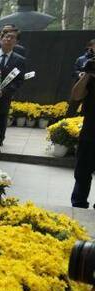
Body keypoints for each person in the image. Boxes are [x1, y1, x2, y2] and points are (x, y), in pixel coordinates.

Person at [0, 29, 26, 169]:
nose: (8, 39)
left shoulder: (19, 60)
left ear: (16, 42)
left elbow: (19, 81)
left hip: (2, 102)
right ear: (0, 39)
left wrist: (3, 92)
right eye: (6, 37)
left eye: (12, 37)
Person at [70, 63, 95, 208]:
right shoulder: (90, 77)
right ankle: (79, 204)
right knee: (82, 172)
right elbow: (76, 95)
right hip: (90, 130)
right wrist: (87, 74)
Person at [67, 39, 95, 117]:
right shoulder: (81, 59)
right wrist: (80, 74)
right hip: (80, 85)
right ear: (90, 47)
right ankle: (65, 123)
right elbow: (75, 71)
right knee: (72, 106)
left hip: (92, 90)